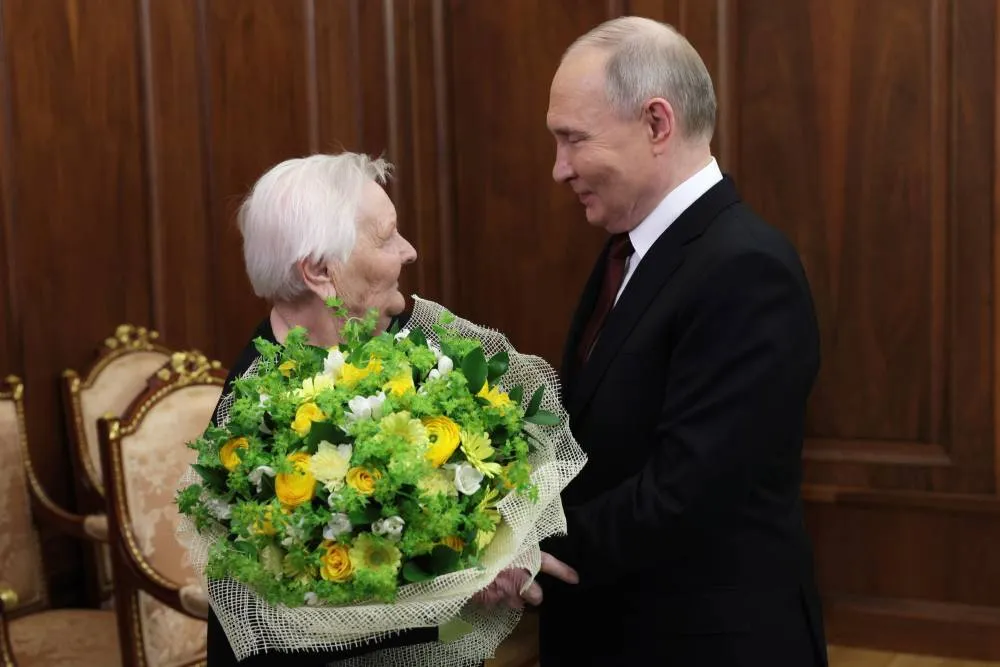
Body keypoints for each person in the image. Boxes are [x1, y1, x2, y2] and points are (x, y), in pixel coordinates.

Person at [533, 17, 829, 666]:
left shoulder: (747, 269)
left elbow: (685, 494)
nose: (559, 169)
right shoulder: (630, 247)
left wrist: (525, 547)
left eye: (572, 140)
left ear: (657, 124)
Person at [206, 152, 428, 666]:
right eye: (387, 237)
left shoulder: (396, 343)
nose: (409, 251)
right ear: (320, 272)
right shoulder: (256, 421)